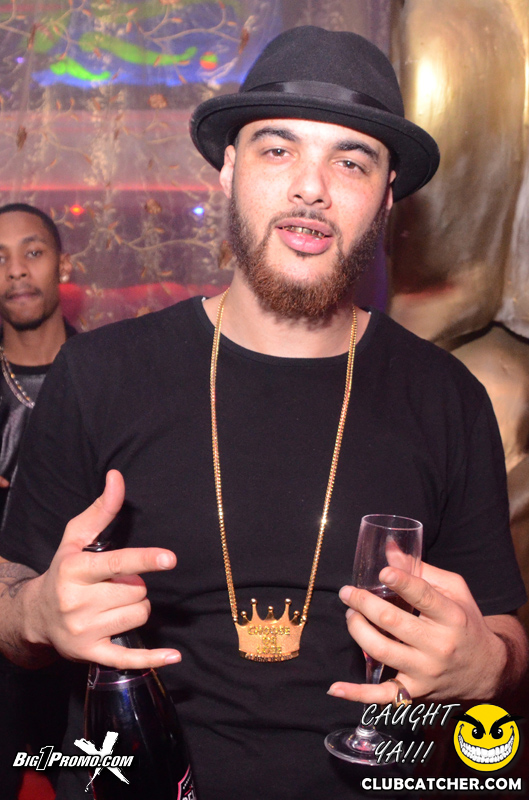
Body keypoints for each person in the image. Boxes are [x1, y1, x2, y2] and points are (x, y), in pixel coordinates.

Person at [0, 27, 526, 800]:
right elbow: (11, 591)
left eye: (350, 161)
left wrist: (489, 665)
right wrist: (36, 615)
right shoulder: (99, 374)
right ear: (228, 169)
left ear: (386, 197)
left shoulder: (446, 396)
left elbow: (503, 630)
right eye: (278, 150)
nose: (311, 187)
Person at [0, 202, 75, 798]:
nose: (16, 270)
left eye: (33, 251)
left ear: (62, 266)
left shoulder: (109, 375)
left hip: (83, 634)